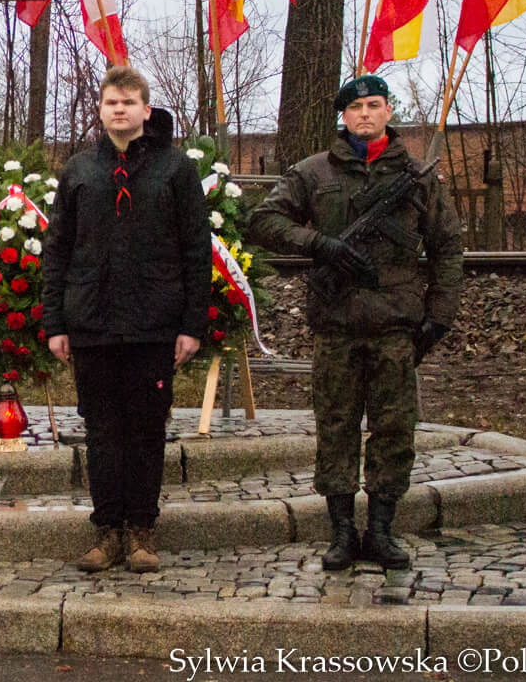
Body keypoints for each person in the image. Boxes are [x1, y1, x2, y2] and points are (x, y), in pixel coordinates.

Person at [251, 74, 463, 572]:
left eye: (374, 105)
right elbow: (263, 220)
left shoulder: (418, 178)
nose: (365, 114)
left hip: (396, 325)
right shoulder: (313, 172)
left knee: (395, 429)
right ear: (343, 117)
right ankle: (343, 531)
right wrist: (319, 244)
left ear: (388, 111)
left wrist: (440, 316)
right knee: (337, 427)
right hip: (337, 324)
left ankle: (382, 529)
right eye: (355, 108)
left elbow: (448, 247)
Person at [42, 65, 213, 574]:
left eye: (128, 102)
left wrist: (192, 325)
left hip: (152, 324)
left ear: (145, 109)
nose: (119, 110)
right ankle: (106, 531)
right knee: (101, 431)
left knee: (145, 430)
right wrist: (56, 323)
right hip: (92, 324)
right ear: (100, 110)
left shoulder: (175, 170)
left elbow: (196, 250)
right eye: (111, 102)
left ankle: (141, 530)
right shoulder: (79, 170)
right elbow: (58, 249)